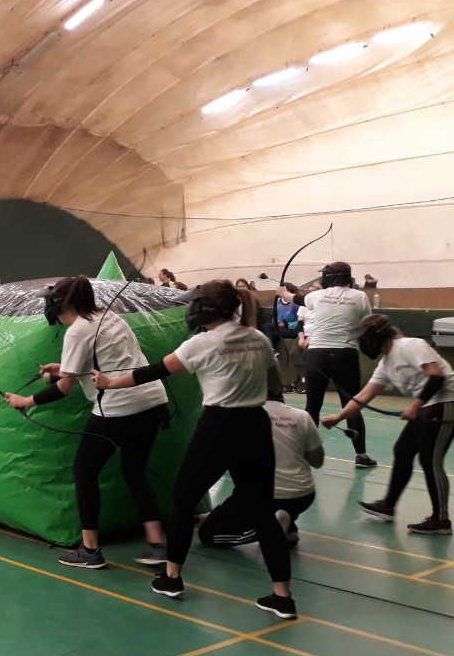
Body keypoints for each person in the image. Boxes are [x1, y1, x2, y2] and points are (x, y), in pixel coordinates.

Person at [95, 280, 298, 619]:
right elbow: (270, 381)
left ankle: (172, 578)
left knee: (184, 500)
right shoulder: (258, 338)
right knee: (263, 513)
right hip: (255, 425)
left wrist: (110, 382)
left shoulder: (201, 344)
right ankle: (283, 597)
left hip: (219, 426)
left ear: (206, 309)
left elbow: (154, 371)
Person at [4, 276, 170, 569]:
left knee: (84, 471)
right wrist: (62, 368)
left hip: (119, 407)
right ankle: (157, 545)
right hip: (153, 402)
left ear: (61, 303)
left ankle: (90, 550)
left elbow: (64, 388)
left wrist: (25, 401)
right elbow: (101, 360)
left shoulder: (77, 332)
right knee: (134, 473)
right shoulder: (109, 315)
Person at [324, 315, 454, 535]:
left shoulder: (410, 346)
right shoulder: (385, 364)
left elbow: (436, 376)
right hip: (427, 406)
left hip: (446, 401)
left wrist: (415, 406)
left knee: (430, 459)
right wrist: (338, 417)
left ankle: (441, 520)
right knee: (403, 450)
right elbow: (363, 396)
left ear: (375, 336)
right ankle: (388, 506)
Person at [277, 261, 376, 468]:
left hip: (317, 355)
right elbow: (367, 324)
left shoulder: (316, 296)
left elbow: (294, 298)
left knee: (312, 406)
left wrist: (282, 292)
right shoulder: (359, 296)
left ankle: (303, 454)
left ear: (328, 277)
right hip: (345, 354)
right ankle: (362, 455)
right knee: (351, 405)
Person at [199, 387, 323, 548]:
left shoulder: (239, 416)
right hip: (301, 496)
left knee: (208, 534)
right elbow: (317, 461)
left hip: (260, 498)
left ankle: (267, 530)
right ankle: (287, 523)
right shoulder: (302, 416)